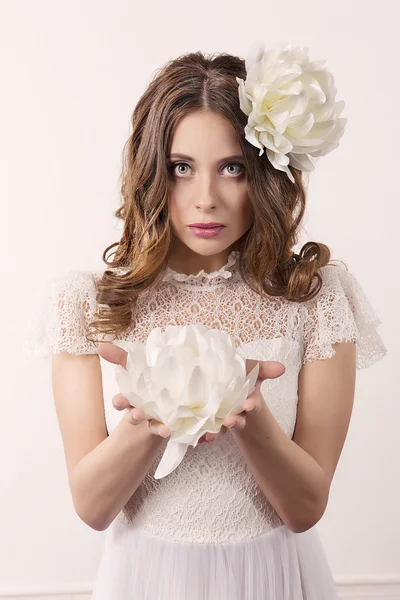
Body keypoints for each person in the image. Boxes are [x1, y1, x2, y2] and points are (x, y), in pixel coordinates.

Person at [25, 41, 387, 599]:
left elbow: (306, 508)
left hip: (273, 579)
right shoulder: (88, 303)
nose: (206, 199)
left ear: (265, 174)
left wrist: (251, 414)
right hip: (146, 581)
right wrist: (152, 411)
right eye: (181, 169)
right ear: (151, 173)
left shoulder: (315, 298)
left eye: (232, 168)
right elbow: (93, 508)